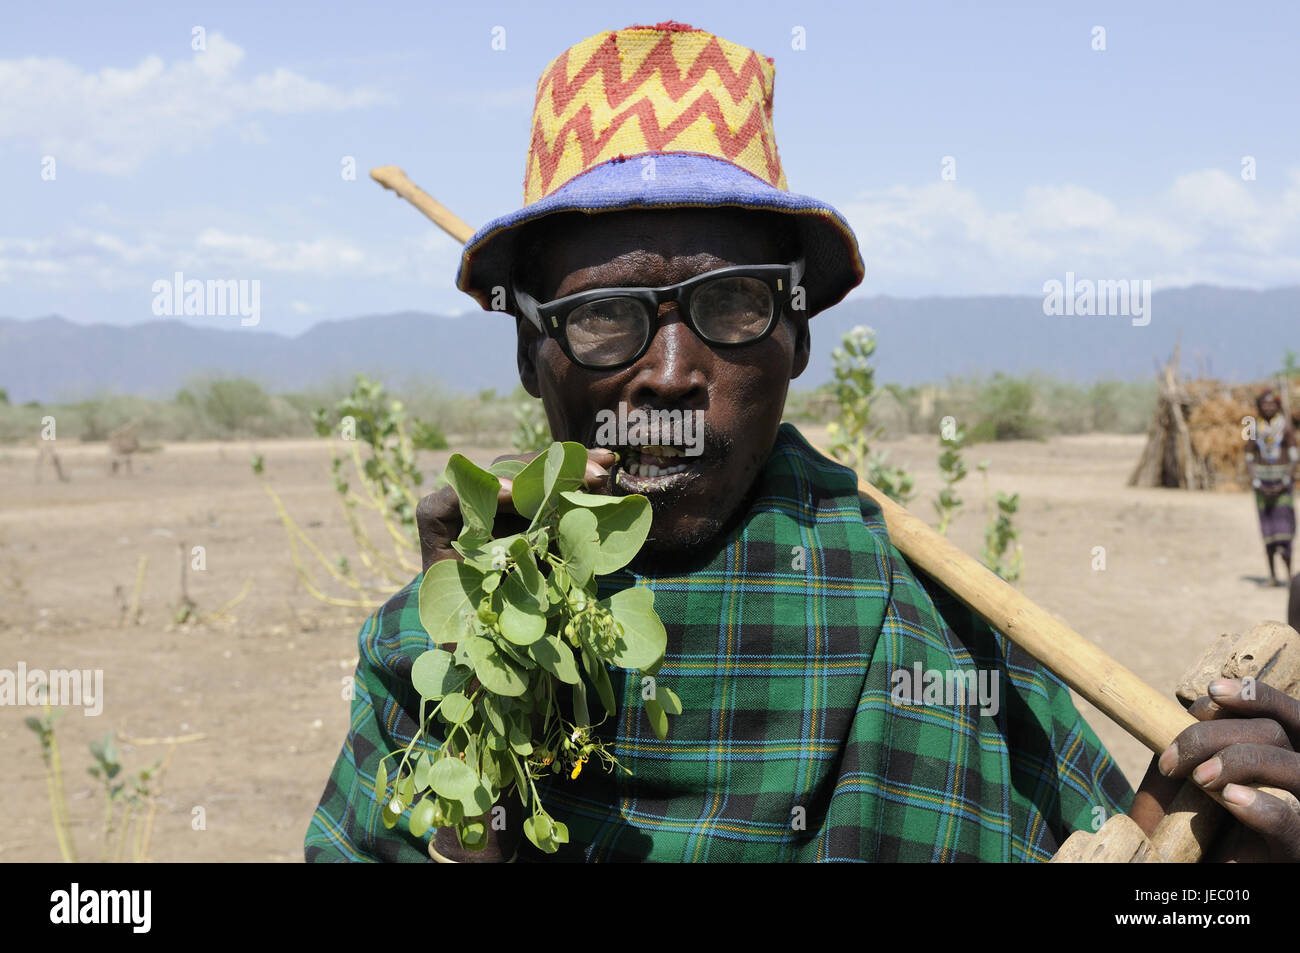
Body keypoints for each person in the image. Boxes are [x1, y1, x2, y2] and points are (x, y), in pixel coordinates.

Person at [305, 23, 1300, 863]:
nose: (667, 373)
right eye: (605, 318)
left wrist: (1192, 840)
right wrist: (478, 785)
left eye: (731, 303)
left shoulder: (928, 625)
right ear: (532, 354)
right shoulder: (446, 647)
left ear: (796, 339)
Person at [1247, 389, 1298, 586]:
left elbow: (1294, 455)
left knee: (1285, 531)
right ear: (1259, 406)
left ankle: (1289, 576)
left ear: (1277, 406)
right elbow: (1248, 455)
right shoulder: (1252, 425)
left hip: (1282, 487)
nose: (1268, 406)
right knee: (1268, 531)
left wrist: (1286, 479)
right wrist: (1256, 480)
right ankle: (1272, 576)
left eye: (1272, 404)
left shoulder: (1285, 425)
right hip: (1262, 487)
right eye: (1264, 403)